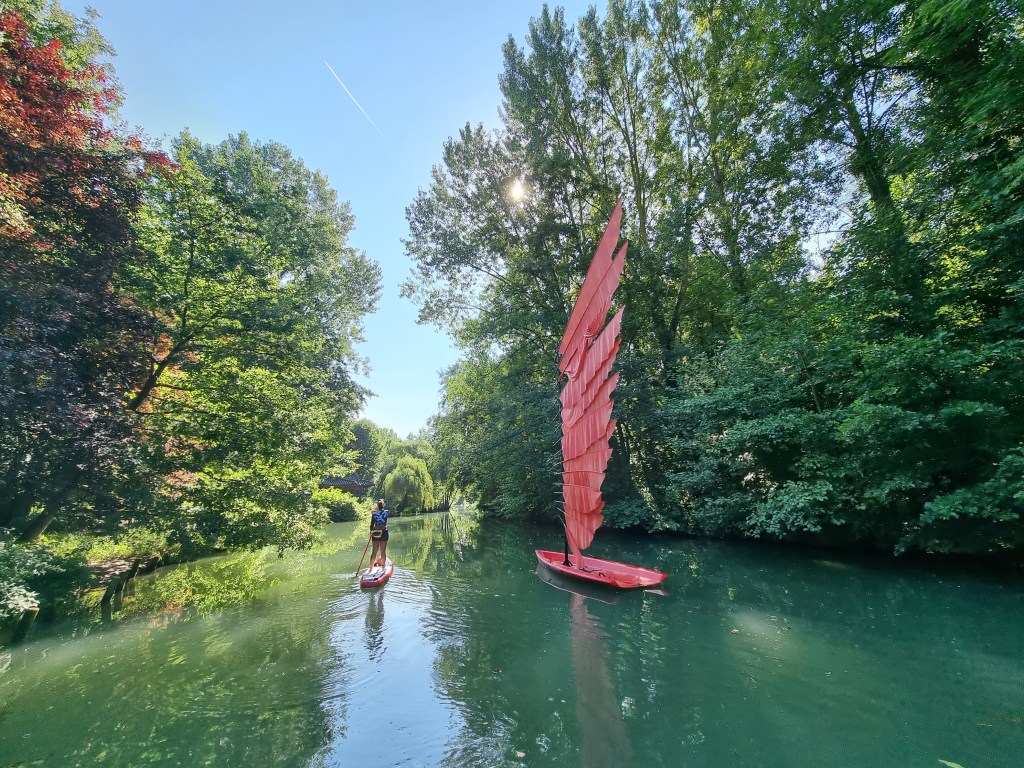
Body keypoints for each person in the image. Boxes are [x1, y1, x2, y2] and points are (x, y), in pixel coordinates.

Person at [369, 499, 390, 568]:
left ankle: (371, 567)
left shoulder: (374, 513)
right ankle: (383, 567)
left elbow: (372, 525)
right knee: (383, 551)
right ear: (383, 505)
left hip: (375, 532)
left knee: (374, 551)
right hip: (384, 532)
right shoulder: (386, 512)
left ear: (377, 506)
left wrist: (371, 532)